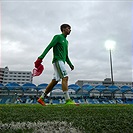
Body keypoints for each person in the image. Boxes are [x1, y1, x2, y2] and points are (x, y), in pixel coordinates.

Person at [35, 24, 75, 106]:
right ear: (63, 29)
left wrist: (70, 64)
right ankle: (68, 100)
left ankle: (41, 98)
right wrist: (41, 57)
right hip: (57, 60)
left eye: (70, 29)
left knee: (55, 81)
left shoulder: (66, 41)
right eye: (68, 28)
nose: (70, 30)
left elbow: (66, 55)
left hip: (62, 62)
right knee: (65, 77)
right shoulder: (58, 37)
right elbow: (49, 46)